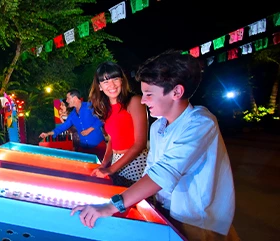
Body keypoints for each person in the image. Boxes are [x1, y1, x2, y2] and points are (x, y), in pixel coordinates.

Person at [70, 50, 239, 241]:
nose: (143, 100)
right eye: (143, 94)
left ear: (176, 92)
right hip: (165, 211)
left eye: (149, 94)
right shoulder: (158, 126)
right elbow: (151, 170)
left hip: (197, 219)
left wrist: (112, 205)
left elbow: (164, 172)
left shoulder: (200, 123)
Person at [89, 61, 148, 187]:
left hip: (136, 162)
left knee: (139, 203)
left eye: (115, 79)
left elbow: (140, 143)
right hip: (116, 161)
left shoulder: (135, 101)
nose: (112, 85)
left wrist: (110, 169)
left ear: (122, 80)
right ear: (99, 86)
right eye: (105, 82)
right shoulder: (106, 108)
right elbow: (112, 139)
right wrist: (104, 164)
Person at [39, 89, 106, 160]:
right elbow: (63, 127)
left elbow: (101, 119)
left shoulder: (89, 106)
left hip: (98, 145)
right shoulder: (72, 115)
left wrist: (90, 129)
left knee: (104, 168)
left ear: (75, 98)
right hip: (84, 147)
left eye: (68, 98)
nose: (67, 100)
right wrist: (48, 134)